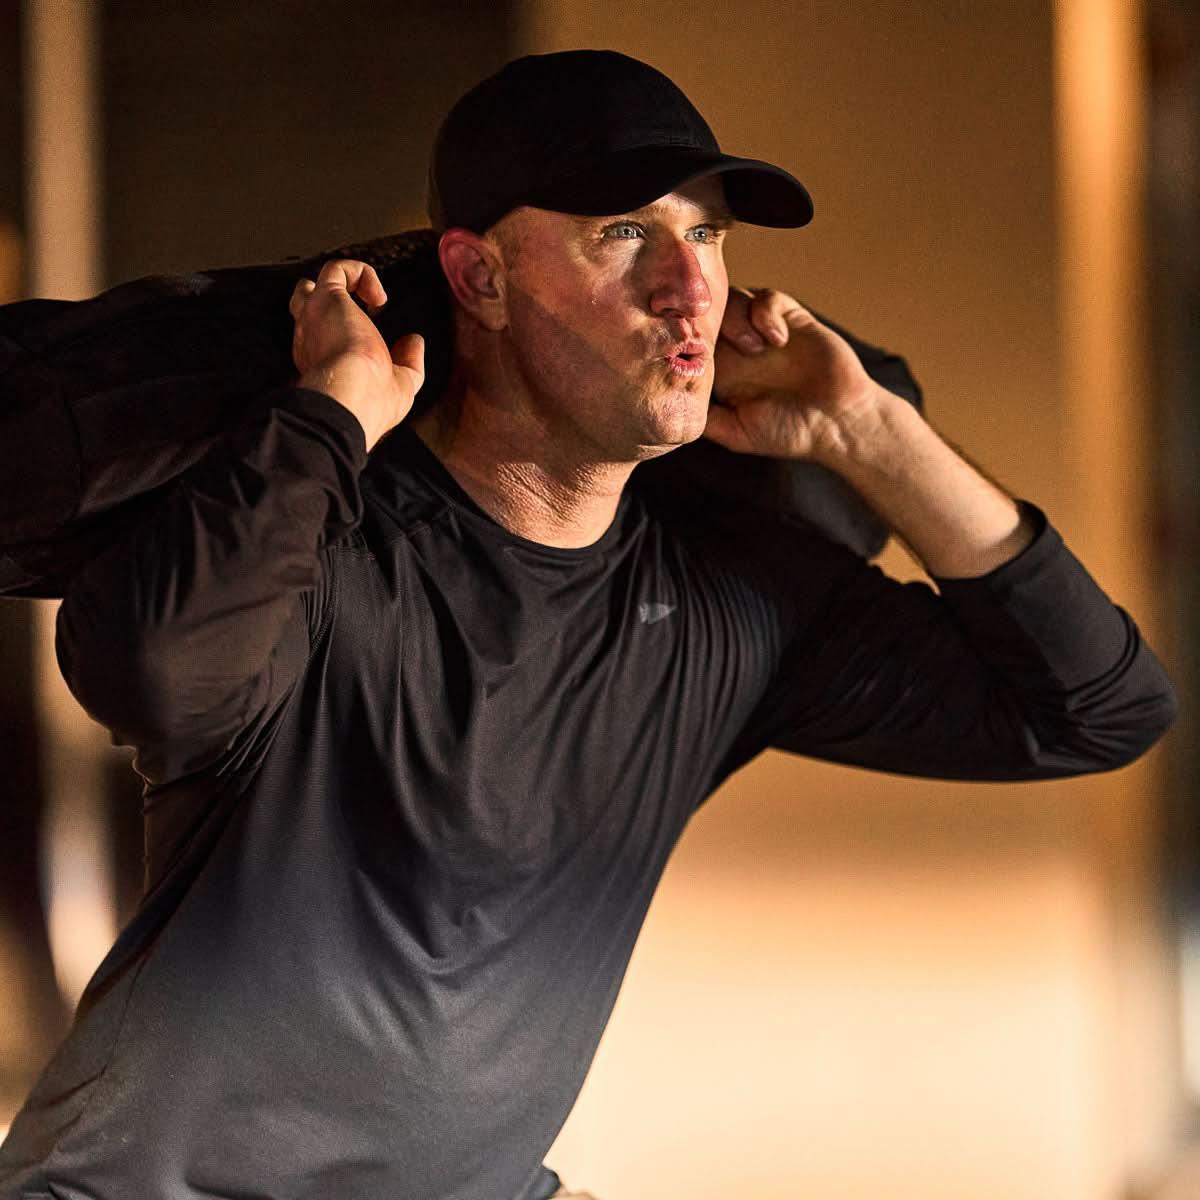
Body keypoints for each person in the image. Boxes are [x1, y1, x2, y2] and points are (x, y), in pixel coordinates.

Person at [0, 49, 1176, 1200]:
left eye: (707, 233)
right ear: (480, 280)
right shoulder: (333, 537)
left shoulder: (726, 599)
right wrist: (322, 424)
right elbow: (149, 668)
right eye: (625, 233)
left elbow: (1101, 710)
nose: (692, 287)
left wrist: (873, 436)